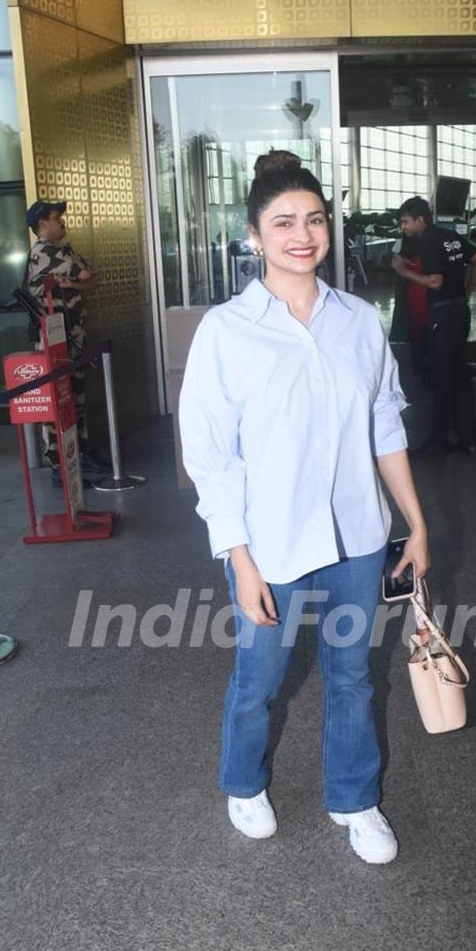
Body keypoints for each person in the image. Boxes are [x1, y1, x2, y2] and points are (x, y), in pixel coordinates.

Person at [179, 159, 430, 865]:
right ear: (255, 235)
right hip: (269, 541)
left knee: (352, 672)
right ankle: (243, 782)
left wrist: (416, 521)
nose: (303, 234)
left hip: (356, 535)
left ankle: (355, 798)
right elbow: (211, 457)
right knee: (259, 675)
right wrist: (239, 556)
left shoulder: (357, 320)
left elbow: (385, 424)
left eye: (314, 219)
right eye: (284, 222)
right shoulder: (226, 331)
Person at [392, 196, 476, 452]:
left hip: (442, 316)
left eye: (406, 222)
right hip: (459, 312)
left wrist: (404, 272)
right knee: (457, 373)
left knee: (442, 376)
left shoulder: (429, 241)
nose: (404, 228)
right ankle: (467, 437)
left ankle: (438, 439)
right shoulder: (450, 237)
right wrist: (467, 290)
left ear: (420, 219)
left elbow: (435, 282)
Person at [24, 199, 109, 485]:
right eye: (55, 216)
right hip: (53, 338)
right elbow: (84, 273)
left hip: (73, 337)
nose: (62, 220)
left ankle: (80, 451)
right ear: (42, 224)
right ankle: (58, 462)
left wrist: (72, 284)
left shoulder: (64, 250)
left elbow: (92, 280)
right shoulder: (44, 252)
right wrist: (78, 279)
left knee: (77, 395)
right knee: (57, 397)